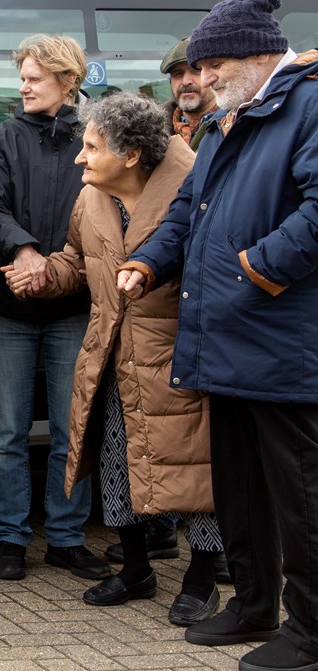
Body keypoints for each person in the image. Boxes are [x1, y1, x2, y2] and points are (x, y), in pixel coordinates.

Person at [117, 0, 318, 671]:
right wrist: (148, 264)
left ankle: (312, 630)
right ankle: (255, 604)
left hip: (282, 338)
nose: (200, 76)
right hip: (227, 337)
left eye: (211, 63)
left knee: (299, 494)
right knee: (239, 487)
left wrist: (257, 269)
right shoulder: (228, 121)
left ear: (257, 55)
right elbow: (186, 212)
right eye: (198, 65)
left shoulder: (309, 105)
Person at [5, 92, 224, 626]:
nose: (80, 157)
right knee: (116, 463)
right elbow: (77, 262)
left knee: (196, 468)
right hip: (111, 353)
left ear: (129, 155)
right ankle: (136, 568)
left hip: (178, 355)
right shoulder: (93, 198)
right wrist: (42, 276)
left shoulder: (195, 187)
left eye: (91, 146)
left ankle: (202, 578)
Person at [0, 34, 109, 583]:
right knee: (6, 432)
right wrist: (27, 253)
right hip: (7, 305)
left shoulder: (94, 137)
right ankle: (10, 537)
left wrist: (54, 269)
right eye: (23, 76)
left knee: (68, 429)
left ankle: (66, 537)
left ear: (67, 82)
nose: (23, 86)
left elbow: (104, 208)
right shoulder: (5, 135)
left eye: (34, 77)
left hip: (74, 305)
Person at [104, 36, 221, 571]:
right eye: (177, 75)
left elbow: (187, 236)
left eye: (198, 70)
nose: (188, 82)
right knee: (123, 450)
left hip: (181, 333)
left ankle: (211, 565)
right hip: (122, 340)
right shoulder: (105, 186)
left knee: (194, 454)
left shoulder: (207, 149)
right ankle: (144, 557)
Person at [162, 36, 219, 145]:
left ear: (213, 77)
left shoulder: (235, 124)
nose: (186, 81)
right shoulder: (150, 130)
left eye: (195, 71)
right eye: (178, 73)